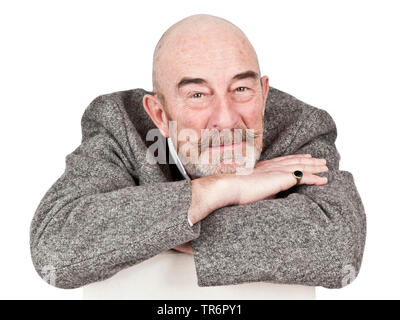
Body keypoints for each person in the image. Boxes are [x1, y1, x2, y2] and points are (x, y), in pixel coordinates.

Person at [30, 14, 366, 293]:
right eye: (198, 95)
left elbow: (338, 248)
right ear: (158, 114)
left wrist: (158, 229)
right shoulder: (120, 124)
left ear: (263, 93)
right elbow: (56, 247)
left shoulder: (301, 127)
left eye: (242, 89)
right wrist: (222, 189)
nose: (226, 119)